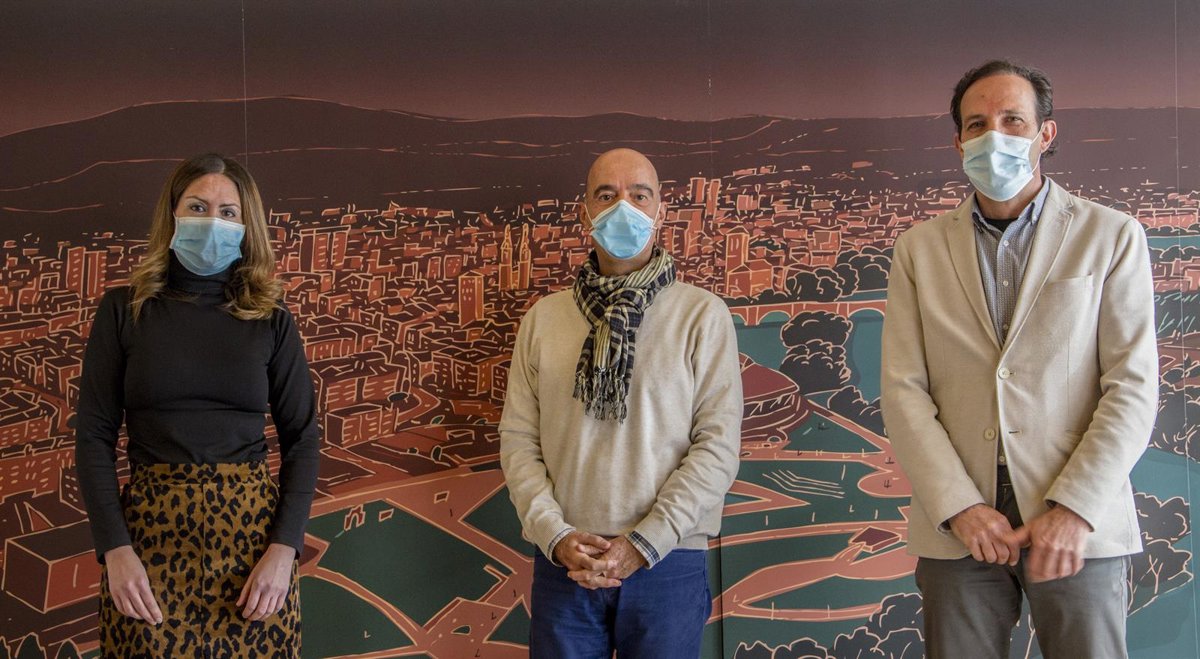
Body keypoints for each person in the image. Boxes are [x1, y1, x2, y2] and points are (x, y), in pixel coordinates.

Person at [881, 60, 1158, 659]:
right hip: (960, 525)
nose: (994, 136)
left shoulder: (1111, 235)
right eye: (977, 124)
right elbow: (903, 391)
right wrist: (959, 507)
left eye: (1012, 120)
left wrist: (1074, 508)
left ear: (1045, 133)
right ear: (957, 141)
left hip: (1077, 516)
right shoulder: (918, 250)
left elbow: (1132, 389)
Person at [499, 148, 743, 658]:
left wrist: (646, 541)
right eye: (606, 195)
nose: (623, 208)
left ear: (661, 211)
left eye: (639, 195)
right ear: (584, 212)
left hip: (668, 560)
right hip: (566, 563)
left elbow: (717, 446)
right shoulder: (543, 320)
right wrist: (554, 534)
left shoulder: (702, 316)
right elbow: (519, 440)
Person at [75, 153, 321, 657]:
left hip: (254, 551)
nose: (213, 221)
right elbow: (94, 436)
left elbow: (302, 437)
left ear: (246, 226)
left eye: (228, 212)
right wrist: (114, 550)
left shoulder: (271, 317)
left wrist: (284, 550)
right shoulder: (124, 310)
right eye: (198, 206)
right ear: (173, 213)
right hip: (147, 545)